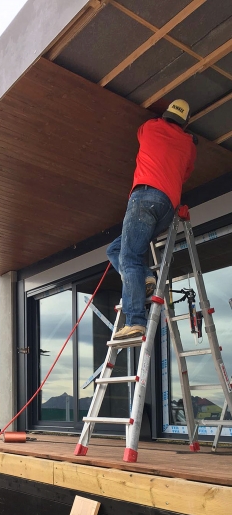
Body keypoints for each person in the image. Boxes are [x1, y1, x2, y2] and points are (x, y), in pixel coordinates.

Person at [106, 99, 197, 340]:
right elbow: (185, 173)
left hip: (144, 198)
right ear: (185, 123)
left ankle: (135, 319)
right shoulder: (189, 144)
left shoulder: (150, 127)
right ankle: (146, 275)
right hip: (168, 207)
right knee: (115, 248)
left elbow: (140, 134)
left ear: (165, 114)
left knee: (129, 256)